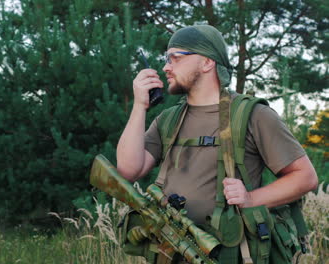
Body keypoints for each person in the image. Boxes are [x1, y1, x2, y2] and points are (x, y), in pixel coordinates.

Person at [115, 25, 318, 262]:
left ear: (207, 62)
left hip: (229, 253)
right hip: (171, 253)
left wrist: (251, 199)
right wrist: (140, 106)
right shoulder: (168, 119)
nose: (165, 67)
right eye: (165, 58)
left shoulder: (252, 114)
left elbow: (305, 177)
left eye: (175, 58)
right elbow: (127, 171)